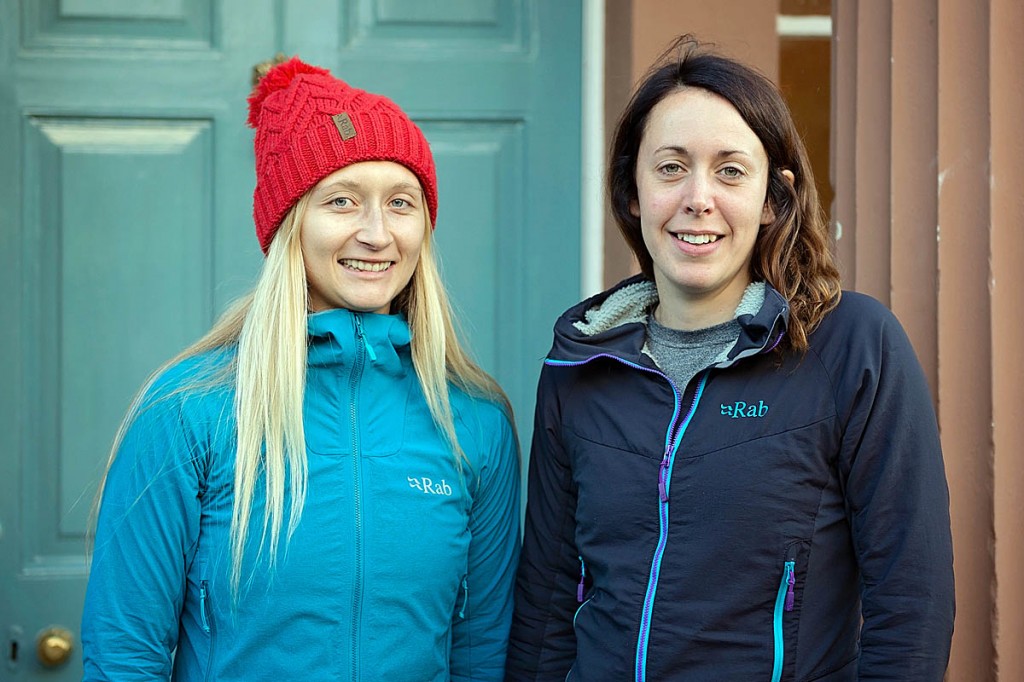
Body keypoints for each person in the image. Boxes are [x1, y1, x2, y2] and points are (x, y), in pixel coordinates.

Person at [505, 36, 954, 681]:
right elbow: (546, 605)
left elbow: (911, 602)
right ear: (632, 190)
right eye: (670, 168)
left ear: (773, 198)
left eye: (731, 171)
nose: (698, 197)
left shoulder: (851, 347)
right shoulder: (580, 363)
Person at [82, 56, 520, 681]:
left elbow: (482, 653)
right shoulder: (188, 411)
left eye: (401, 202)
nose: (377, 234)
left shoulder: (473, 420)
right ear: (290, 224)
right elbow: (124, 655)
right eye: (342, 201)